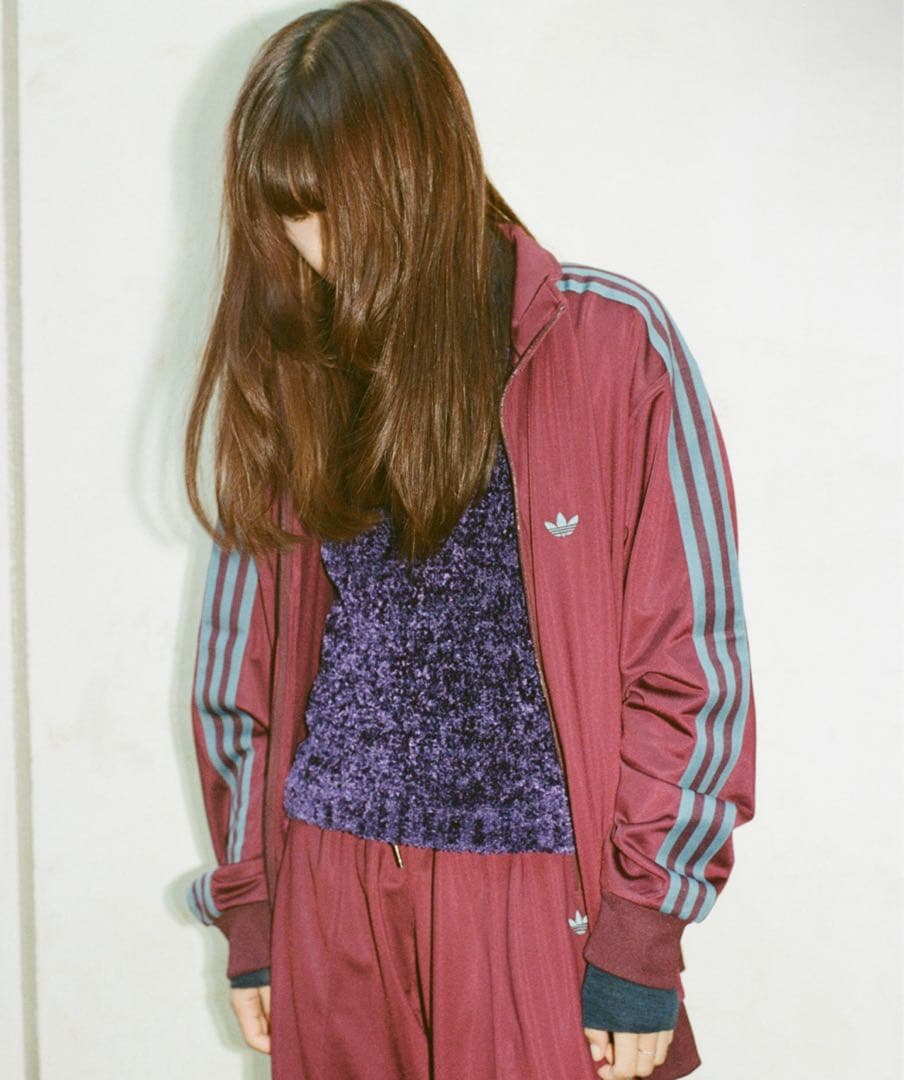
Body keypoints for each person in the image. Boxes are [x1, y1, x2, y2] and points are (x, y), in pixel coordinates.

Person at [182, 2, 757, 1078]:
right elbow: (240, 670)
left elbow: (690, 665)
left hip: (535, 900)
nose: (318, 247)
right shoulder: (299, 370)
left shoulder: (607, 345)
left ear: (426, 168)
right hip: (334, 897)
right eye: (292, 214)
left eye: (339, 204)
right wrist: (252, 909)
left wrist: (643, 931)